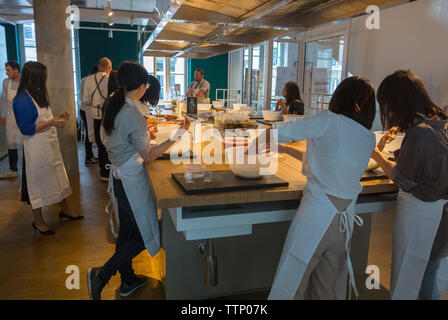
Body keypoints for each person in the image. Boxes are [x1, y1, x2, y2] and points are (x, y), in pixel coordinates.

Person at [261, 76, 376, 299]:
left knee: (292, 279)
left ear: (340, 96)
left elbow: (283, 132)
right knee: (327, 285)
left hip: (317, 215)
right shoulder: (367, 137)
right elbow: (327, 158)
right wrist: (284, 151)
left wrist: (256, 139)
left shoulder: (329, 120)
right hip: (345, 220)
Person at [86, 61, 190, 300]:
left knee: (127, 234)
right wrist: (179, 135)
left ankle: (128, 280)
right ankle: (102, 274)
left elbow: (112, 139)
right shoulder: (132, 114)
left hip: (121, 177)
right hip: (130, 179)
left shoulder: (114, 101)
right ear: (143, 86)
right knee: (146, 234)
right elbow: (150, 156)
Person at [371, 70, 448, 300]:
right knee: (428, 270)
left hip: (423, 214)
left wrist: (376, 155)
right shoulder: (439, 122)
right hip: (442, 214)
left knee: (415, 275)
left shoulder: (419, 134)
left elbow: (400, 176)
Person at [13, 62, 83, 235]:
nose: (46, 78)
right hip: (36, 150)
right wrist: (52, 122)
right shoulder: (22, 99)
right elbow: (26, 128)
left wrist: (57, 120)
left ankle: (65, 210)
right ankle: (38, 220)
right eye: (43, 75)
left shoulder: (38, 96)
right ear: (35, 77)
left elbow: (42, 122)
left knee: (58, 177)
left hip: (49, 147)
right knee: (36, 184)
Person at [83, 57, 112, 181]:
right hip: (109, 115)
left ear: (99, 66)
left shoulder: (88, 80)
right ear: (109, 68)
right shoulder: (111, 79)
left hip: (95, 115)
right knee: (110, 143)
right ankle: (111, 170)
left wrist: (95, 103)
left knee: (100, 144)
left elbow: (85, 100)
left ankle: (103, 173)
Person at [0, 61, 21, 179]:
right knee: (11, 143)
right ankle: (13, 169)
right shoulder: (6, 82)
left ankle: (30, 167)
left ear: (16, 70)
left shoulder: (25, 82)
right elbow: (3, 99)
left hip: (22, 116)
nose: (6, 72)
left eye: (8, 70)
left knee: (27, 141)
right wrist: (3, 115)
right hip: (10, 117)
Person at [79, 66, 98, 167]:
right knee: (89, 133)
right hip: (87, 110)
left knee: (89, 133)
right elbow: (89, 98)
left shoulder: (83, 79)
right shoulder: (90, 81)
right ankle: (88, 158)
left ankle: (90, 155)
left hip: (83, 110)